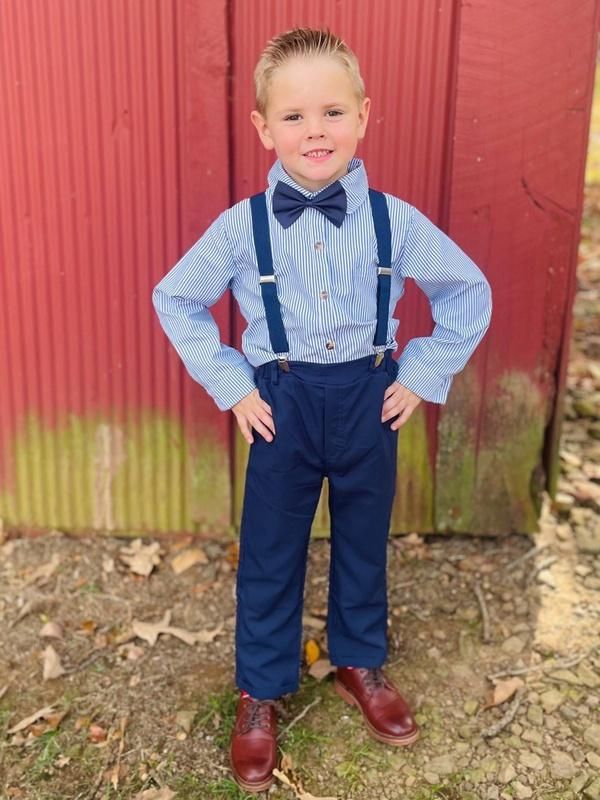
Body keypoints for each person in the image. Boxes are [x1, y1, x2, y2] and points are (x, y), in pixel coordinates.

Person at [152, 26, 492, 794]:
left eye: (333, 112)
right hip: (282, 404)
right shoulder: (242, 227)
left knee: (363, 539)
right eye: (295, 116)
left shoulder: (394, 221)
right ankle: (261, 687)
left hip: (371, 399)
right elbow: (175, 298)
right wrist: (234, 384)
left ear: (363, 116)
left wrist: (421, 372)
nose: (315, 130)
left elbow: (467, 291)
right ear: (263, 128)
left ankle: (358, 660)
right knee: (271, 550)